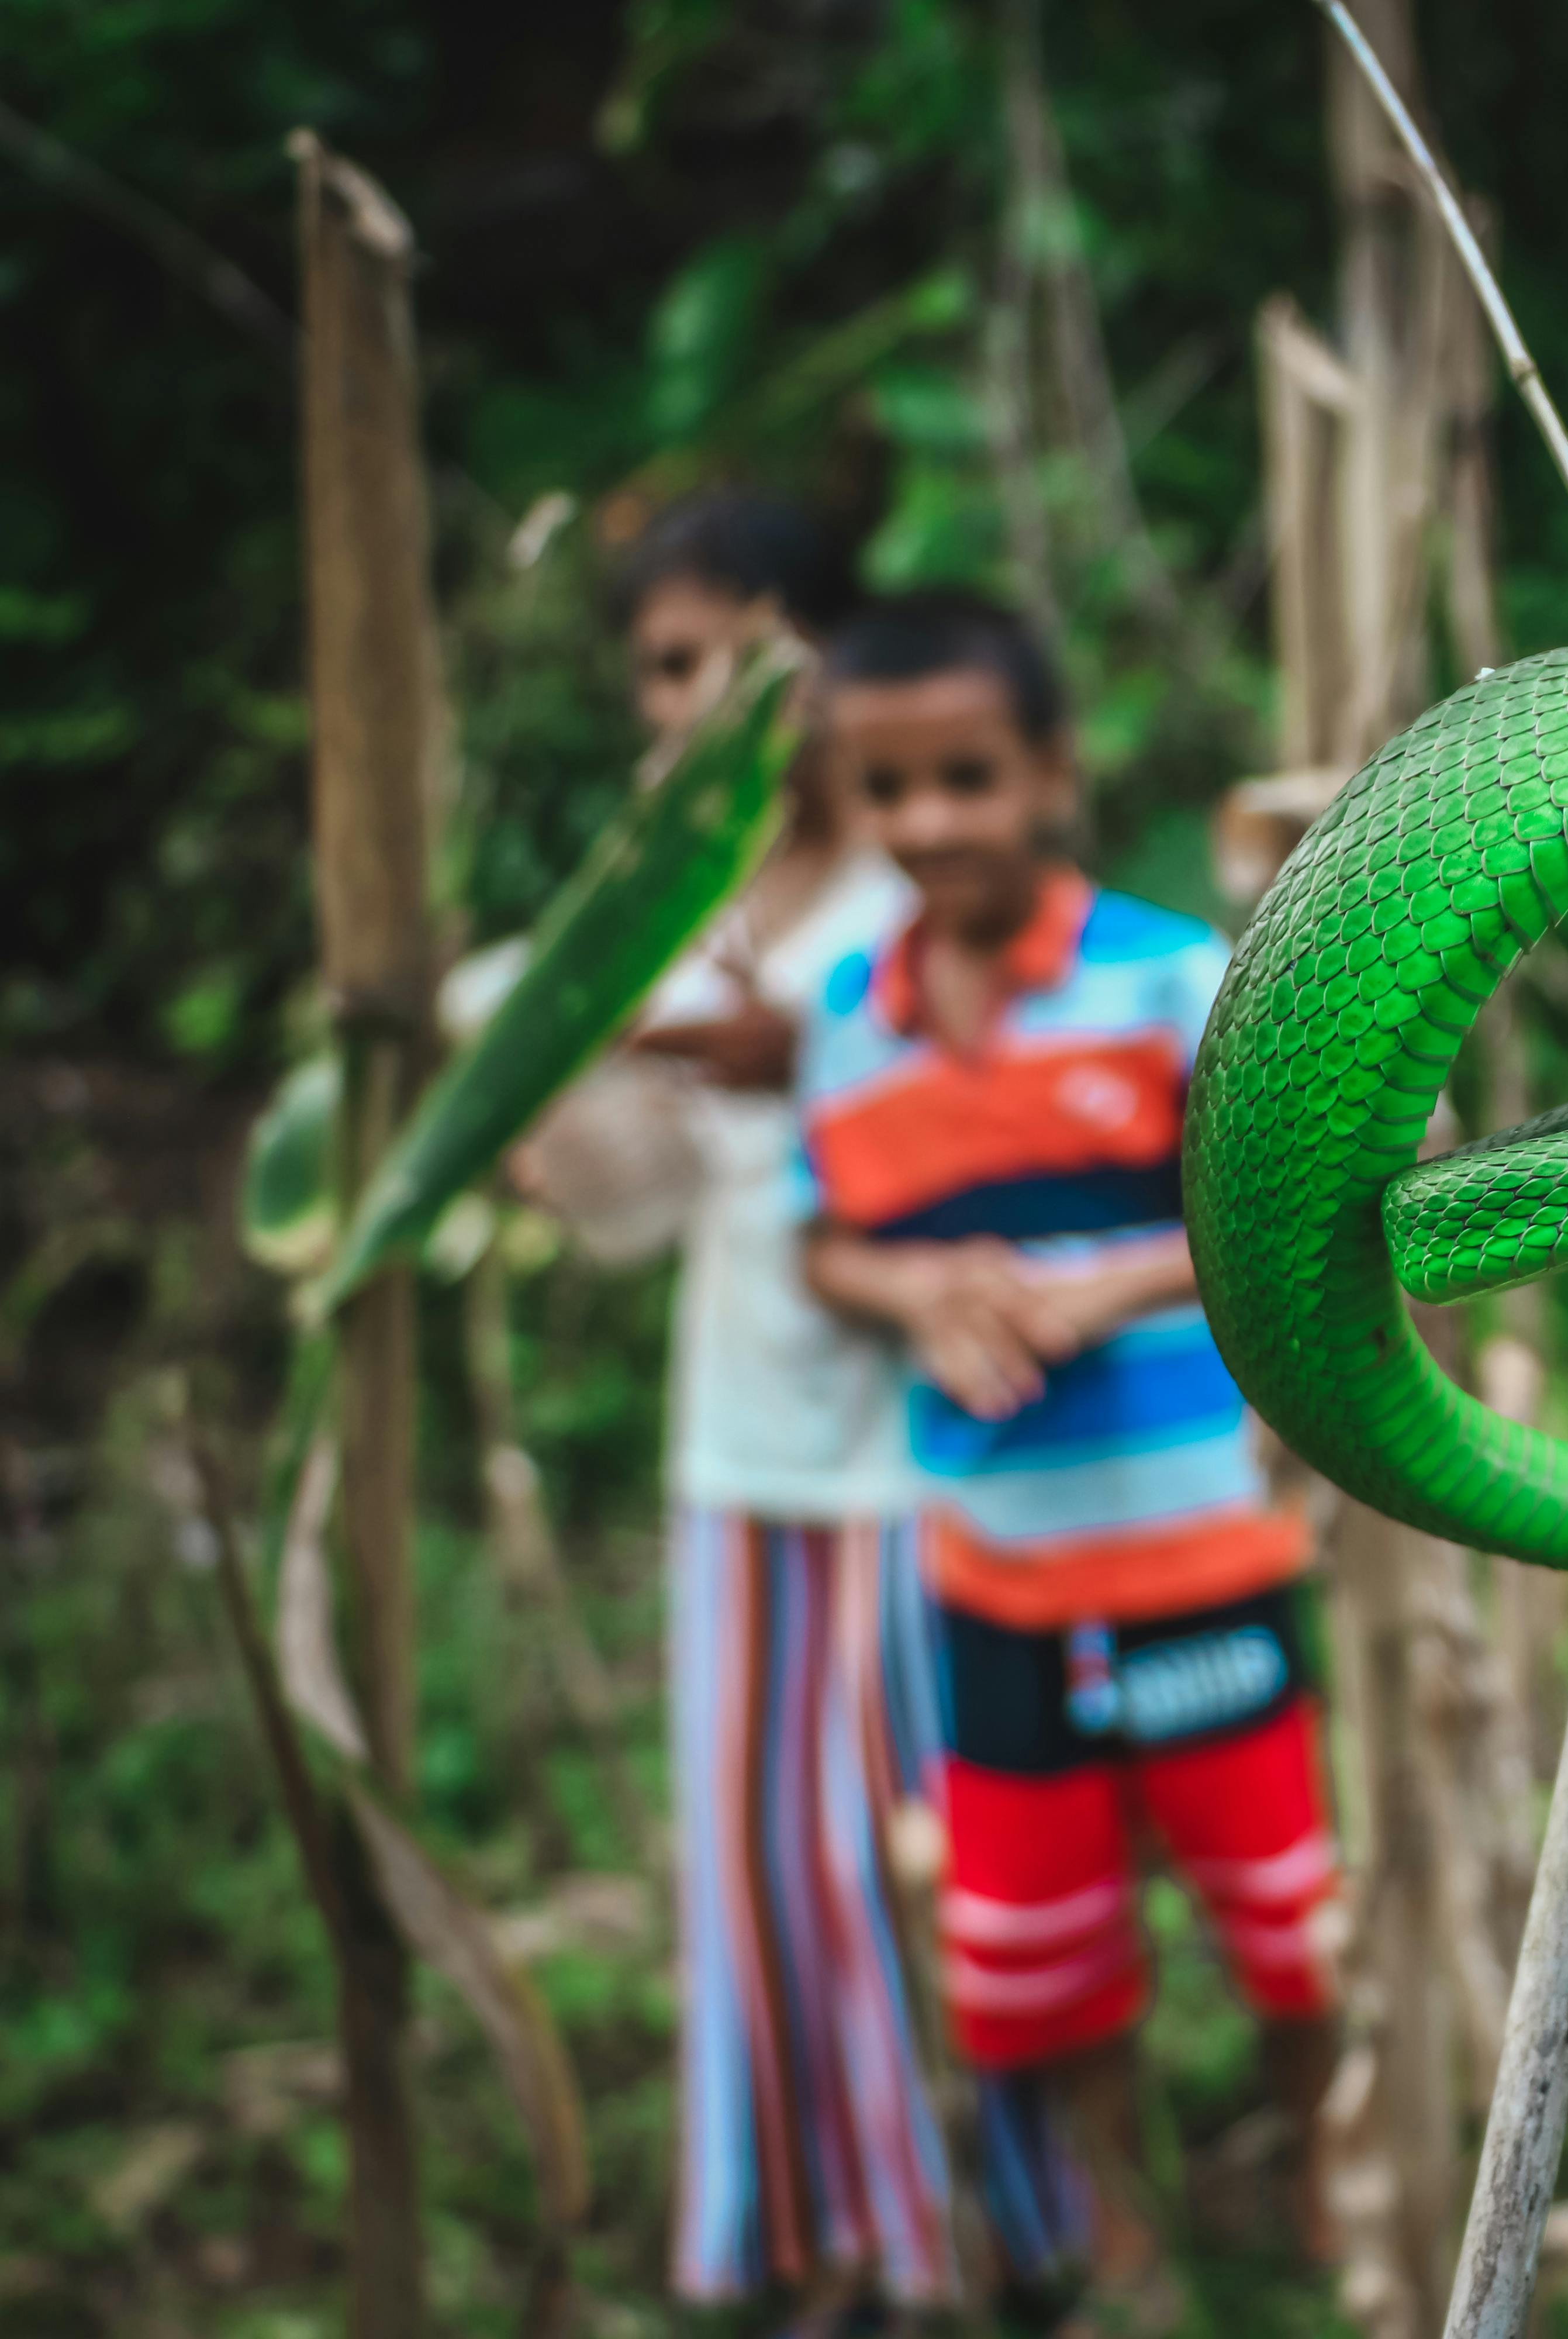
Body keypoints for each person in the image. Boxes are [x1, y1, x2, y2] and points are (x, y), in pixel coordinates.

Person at [795, 594, 1343, 2333]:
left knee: (1283, 1919)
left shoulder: (1173, 976)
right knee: (1038, 1951)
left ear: (1050, 772)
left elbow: (1284, 1213)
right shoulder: (847, 1015)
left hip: (1197, 1555)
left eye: (969, 774)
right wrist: (917, 1283)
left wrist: (1116, 1276)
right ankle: (1124, 2227)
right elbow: (824, 1241)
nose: (934, 819)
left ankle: (1325, 2174)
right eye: (893, 786)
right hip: (993, 1578)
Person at [515, 494, 962, 2326]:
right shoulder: (665, 915)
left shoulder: (927, 886)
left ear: (813, 663)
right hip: (740, 1459)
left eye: (710, 657)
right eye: (657, 670)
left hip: (920, 1462)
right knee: (764, 1886)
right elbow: (628, 1209)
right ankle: (814, 2241)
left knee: (911, 1870)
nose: (680, 704)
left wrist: (822, 1059)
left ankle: (971, 2235)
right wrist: (544, 1089)